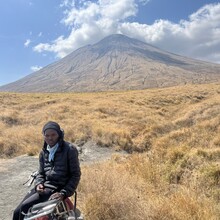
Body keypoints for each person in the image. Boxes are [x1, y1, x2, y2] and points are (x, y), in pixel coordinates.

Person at [13, 121, 81, 220]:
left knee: (23, 208)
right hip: (45, 188)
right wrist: (38, 184)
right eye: (47, 135)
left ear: (59, 134)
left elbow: (75, 174)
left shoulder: (69, 150)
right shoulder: (44, 152)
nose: (50, 138)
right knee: (18, 211)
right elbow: (40, 173)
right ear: (44, 136)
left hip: (58, 188)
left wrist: (63, 193)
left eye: (53, 134)